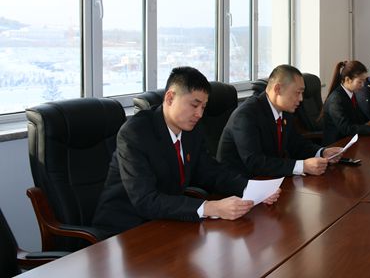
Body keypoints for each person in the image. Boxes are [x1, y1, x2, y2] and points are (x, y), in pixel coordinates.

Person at [93, 67, 279, 238]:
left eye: (203, 107)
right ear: (170, 98)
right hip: (124, 231)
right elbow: (146, 200)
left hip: (167, 222)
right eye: (194, 105)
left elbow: (210, 171)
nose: (199, 114)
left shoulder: (192, 131)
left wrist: (251, 189)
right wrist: (210, 207)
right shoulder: (135, 134)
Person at [217, 65, 343, 178]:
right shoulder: (246, 115)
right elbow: (255, 162)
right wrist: (302, 166)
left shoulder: (285, 111)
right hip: (238, 185)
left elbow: (296, 144)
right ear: (277, 89)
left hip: (268, 179)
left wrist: (322, 152)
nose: (301, 99)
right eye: (297, 93)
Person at [321, 60, 370, 146]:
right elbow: (347, 128)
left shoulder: (351, 94)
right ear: (348, 80)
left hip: (350, 142)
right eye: (359, 82)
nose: (363, 85)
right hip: (336, 146)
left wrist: (368, 123)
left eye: (364, 81)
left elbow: (357, 119)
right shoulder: (336, 99)